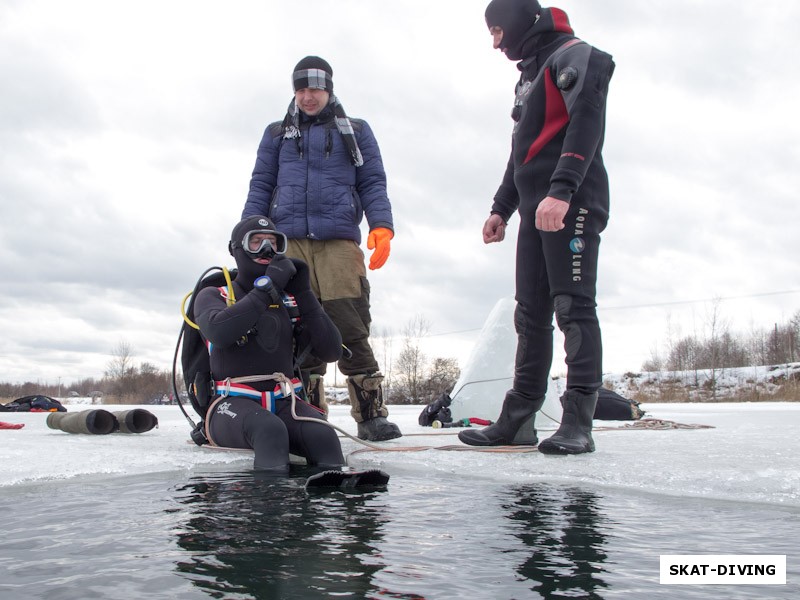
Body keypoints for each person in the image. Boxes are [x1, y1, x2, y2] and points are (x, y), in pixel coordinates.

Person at [459, 0, 615, 454]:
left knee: (573, 307)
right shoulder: (529, 75)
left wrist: (563, 190)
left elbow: (588, 124)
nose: (494, 43)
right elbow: (521, 151)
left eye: (496, 31)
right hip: (534, 207)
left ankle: (578, 419)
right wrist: (501, 208)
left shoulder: (577, 55)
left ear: (514, 23)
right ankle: (520, 416)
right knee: (529, 315)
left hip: (571, 201)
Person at [242, 56, 401, 442]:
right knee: (298, 324)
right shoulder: (277, 133)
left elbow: (373, 181)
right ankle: (307, 411)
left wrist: (381, 226)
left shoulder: (357, 131)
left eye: (314, 88)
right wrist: (248, 232)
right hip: (289, 241)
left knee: (348, 321)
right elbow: (261, 183)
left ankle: (370, 413)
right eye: (300, 89)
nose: (307, 96)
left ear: (328, 88)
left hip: (339, 240)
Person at [192, 215, 345, 472]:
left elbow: (331, 351)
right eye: (256, 242)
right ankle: (268, 507)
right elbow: (219, 332)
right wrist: (268, 287)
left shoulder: (290, 301)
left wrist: (305, 293)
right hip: (230, 403)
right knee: (269, 430)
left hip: (284, 400)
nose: (266, 250)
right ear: (236, 249)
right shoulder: (215, 294)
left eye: (274, 243)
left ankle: (322, 507)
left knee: (323, 436)